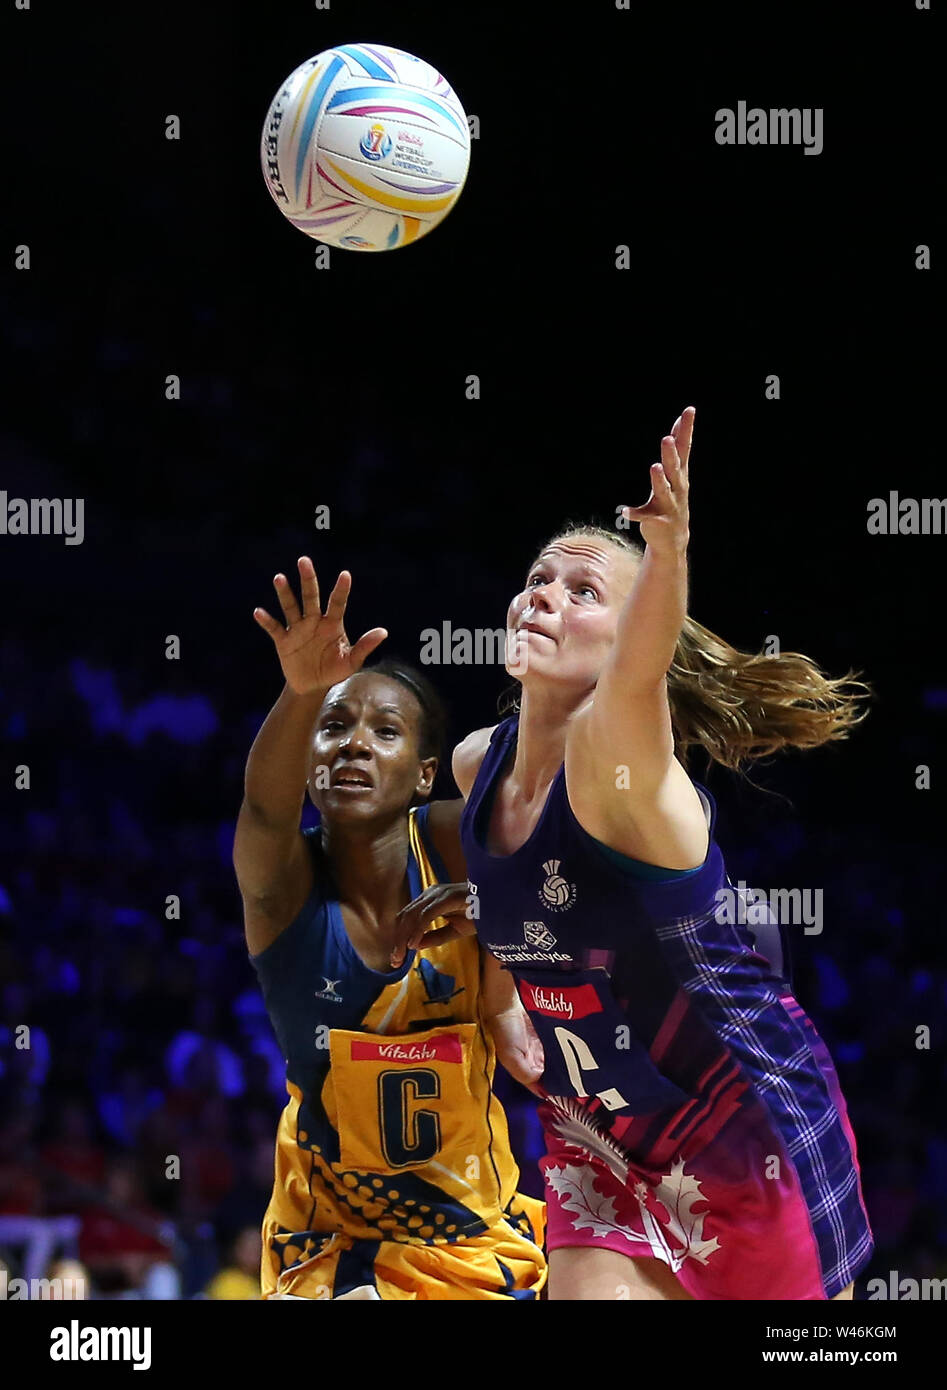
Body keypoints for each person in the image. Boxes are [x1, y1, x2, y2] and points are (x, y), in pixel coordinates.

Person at [393, 406, 874, 1301]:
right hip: (597, 1129)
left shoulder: (627, 780)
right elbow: (509, 904)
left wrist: (668, 553)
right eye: (538, 578)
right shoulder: (474, 766)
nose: (544, 595)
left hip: (744, 1124)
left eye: (584, 593)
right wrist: (500, 1004)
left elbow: (644, 665)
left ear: (624, 641)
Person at [233, 560, 545, 1300]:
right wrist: (302, 692)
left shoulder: (461, 843)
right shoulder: (282, 890)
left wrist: (508, 921)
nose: (353, 744)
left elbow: (561, 862)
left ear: (424, 773)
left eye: (385, 730)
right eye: (333, 728)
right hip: (331, 1244)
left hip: (479, 1235)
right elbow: (266, 810)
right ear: (309, 762)